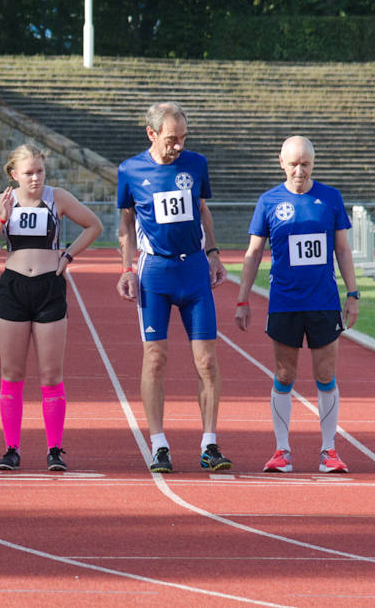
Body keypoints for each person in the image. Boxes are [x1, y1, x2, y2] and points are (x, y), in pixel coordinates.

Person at [116, 102, 231, 473]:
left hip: (194, 271)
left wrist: (213, 253)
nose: (178, 145)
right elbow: (126, 223)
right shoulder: (130, 170)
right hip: (156, 274)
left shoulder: (196, 164)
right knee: (155, 358)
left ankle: (210, 444)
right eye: (171, 139)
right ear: (151, 134)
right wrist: (127, 269)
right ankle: (159, 444)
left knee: (208, 362)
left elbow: (202, 210)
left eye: (183, 138)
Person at [234, 136, 358, 473]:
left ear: (313, 163)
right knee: (284, 374)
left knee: (325, 374)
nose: (299, 170)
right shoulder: (269, 201)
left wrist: (353, 293)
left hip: (323, 302)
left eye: (306, 164)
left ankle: (329, 451)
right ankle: (282, 450)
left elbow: (343, 250)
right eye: (293, 164)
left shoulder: (330, 198)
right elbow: (253, 253)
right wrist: (243, 298)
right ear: (282, 162)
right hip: (285, 303)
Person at [0, 144, 102, 471]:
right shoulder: (6, 201)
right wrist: (1, 215)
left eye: (40, 172)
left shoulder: (57, 197)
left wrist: (68, 255)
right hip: (14, 287)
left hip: (49, 288)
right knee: (12, 373)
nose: (35, 178)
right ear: (14, 174)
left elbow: (93, 225)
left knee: (50, 374)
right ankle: (11, 448)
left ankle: (54, 450)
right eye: (29, 173)